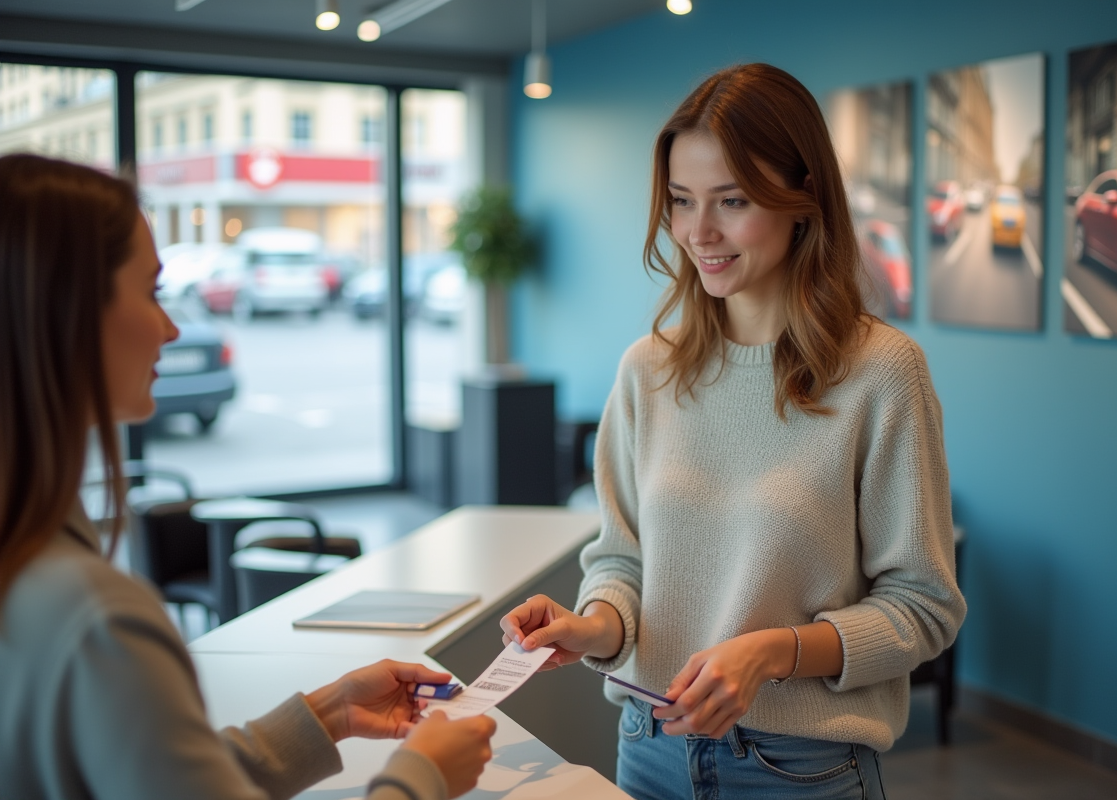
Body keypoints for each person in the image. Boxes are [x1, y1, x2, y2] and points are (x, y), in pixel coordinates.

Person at [500, 64, 967, 799]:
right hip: (646, 750)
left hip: (802, 769)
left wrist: (774, 653)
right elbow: (623, 562)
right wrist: (592, 626)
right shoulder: (646, 372)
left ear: (802, 200)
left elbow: (924, 607)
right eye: (682, 202)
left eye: (733, 200)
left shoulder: (882, 372)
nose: (698, 232)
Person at [0, 153, 496, 800]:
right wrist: (421, 776)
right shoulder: (95, 620)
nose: (171, 327)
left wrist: (331, 712)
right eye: (150, 292)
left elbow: (157, 775)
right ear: (65, 311)